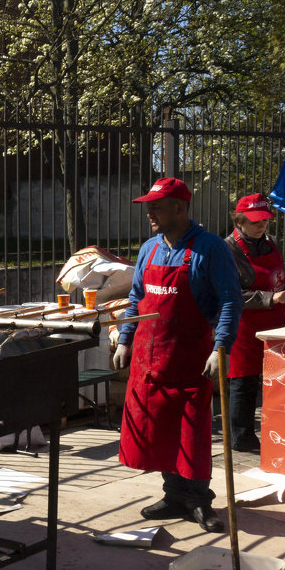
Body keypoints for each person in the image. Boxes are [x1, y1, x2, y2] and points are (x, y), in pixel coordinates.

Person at [111, 178, 242, 533]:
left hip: (189, 361)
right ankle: (173, 495)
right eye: (149, 207)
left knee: (192, 434)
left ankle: (198, 500)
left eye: (157, 206)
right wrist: (125, 339)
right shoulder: (149, 249)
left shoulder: (210, 249)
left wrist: (221, 346)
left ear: (180, 208)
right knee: (160, 432)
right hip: (149, 362)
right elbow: (137, 298)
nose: (149, 213)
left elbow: (231, 300)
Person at [224, 193, 285, 453]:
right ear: (240, 221)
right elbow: (229, 293)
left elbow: (284, 275)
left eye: (264, 220)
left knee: (278, 381)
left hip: (275, 322)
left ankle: (279, 432)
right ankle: (242, 439)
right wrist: (269, 297)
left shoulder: (272, 242)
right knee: (243, 383)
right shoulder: (228, 249)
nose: (261, 225)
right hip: (245, 327)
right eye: (254, 221)